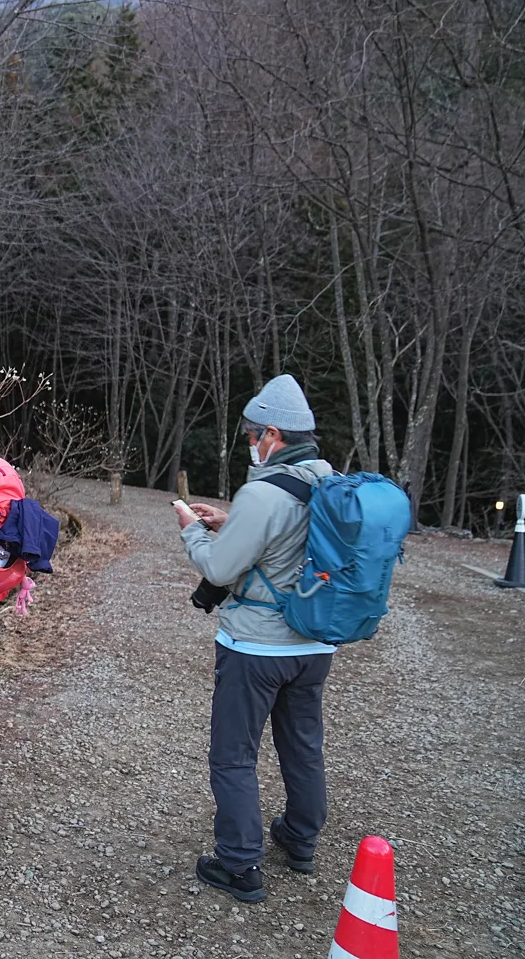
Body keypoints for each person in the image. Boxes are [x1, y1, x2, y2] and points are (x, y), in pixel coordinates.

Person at [175, 373, 337, 903]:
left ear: (272, 434)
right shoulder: (330, 481)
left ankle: (239, 864)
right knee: (302, 746)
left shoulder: (263, 492)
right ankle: (300, 839)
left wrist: (191, 528)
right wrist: (231, 521)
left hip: (256, 648)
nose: (250, 443)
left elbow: (220, 569)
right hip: (315, 645)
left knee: (233, 756)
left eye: (251, 434)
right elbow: (290, 542)